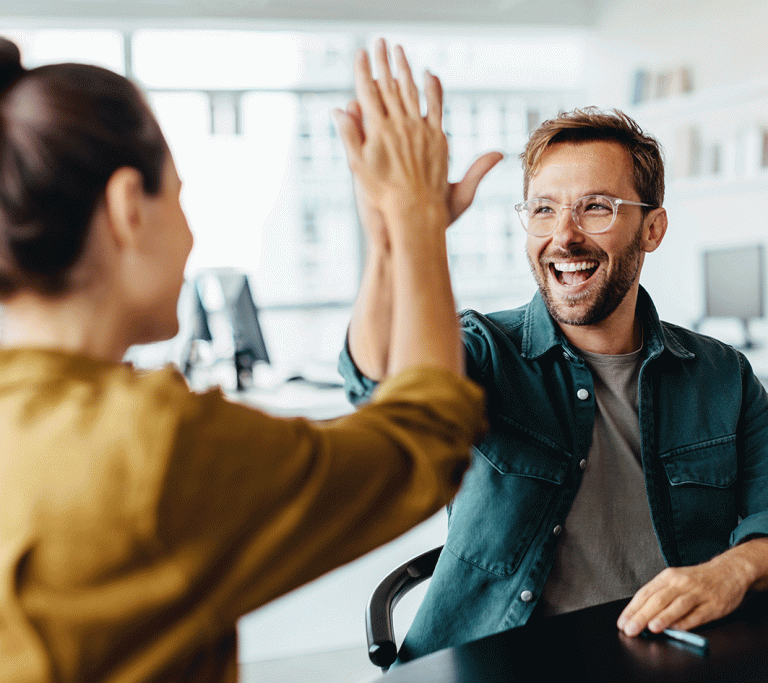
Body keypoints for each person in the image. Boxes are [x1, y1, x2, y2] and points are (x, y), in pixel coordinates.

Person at [0, 37, 488, 682]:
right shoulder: (147, 445)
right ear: (127, 209)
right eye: (179, 196)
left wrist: (394, 241)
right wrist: (417, 213)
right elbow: (423, 441)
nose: (193, 233)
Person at [339, 105, 768, 662]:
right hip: (493, 660)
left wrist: (734, 569)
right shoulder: (484, 350)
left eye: (595, 208)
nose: (564, 236)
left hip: (664, 658)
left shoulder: (723, 375)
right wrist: (394, 241)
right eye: (544, 209)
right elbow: (379, 386)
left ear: (653, 228)